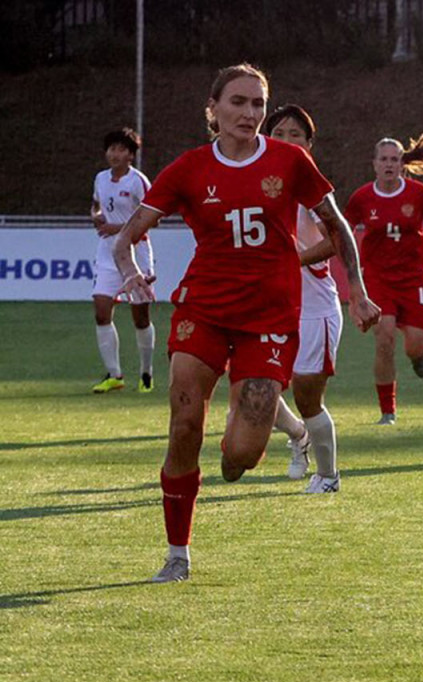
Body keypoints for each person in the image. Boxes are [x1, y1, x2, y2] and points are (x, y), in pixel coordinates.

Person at [113, 64, 381, 583]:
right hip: (204, 310)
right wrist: (131, 274)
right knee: (185, 421)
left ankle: (247, 441)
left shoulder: (290, 160)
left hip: (268, 320)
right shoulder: (190, 168)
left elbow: (337, 224)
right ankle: (177, 553)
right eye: (238, 102)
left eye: (258, 104)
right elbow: (128, 235)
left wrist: (359, 292)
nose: (250, 113)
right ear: (213, 110)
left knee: (239, 458)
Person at [344, 135, 423, 425]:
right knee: (384, 338)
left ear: (402, 164)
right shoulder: (362, 198)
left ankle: (418, 356)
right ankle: (388, 411)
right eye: (384, 159)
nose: (389, 164)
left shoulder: (418, 193)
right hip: (378, 278)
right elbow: (343, 229)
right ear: (375, 164)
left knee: (415, 345)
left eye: (394, 159)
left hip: (414, 276)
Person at [263, 103, 345, 492]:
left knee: (308, 397)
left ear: (310, 145)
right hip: (267, 306)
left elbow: (338, 239)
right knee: (254, 387)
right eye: (279, 133)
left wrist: (293, 258)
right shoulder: (257, 185)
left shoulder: (312, 193)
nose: (287, 141)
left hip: (313, 310)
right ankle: (298, 436)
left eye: (296, 135)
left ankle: (328, 475)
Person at [89, 127, 156, 394]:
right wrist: (96, 215)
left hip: (135, 253)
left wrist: (117, 228)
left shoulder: (138, 182)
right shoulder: (100, 178)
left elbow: (154, 218)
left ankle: (146, 371)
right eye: (111, 149)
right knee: (101, 310)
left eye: (121, 149)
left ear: (131, 155)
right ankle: (114, 374)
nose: (114, 154)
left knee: (140, 317)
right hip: (107, 252)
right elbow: (95, 204)